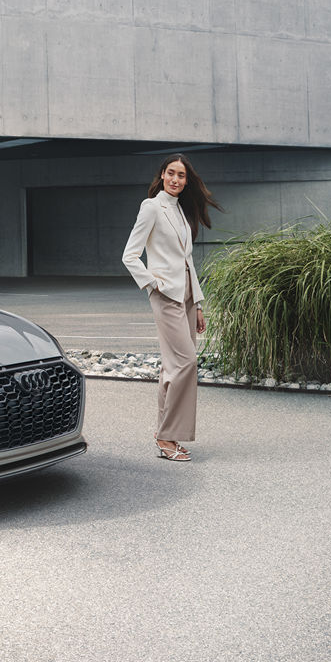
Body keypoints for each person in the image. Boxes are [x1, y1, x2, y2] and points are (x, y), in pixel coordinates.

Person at [121, 154, 222, 461]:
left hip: (188, 296)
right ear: (162, 175)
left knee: (172, 367)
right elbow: (130, 255)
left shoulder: (180, 211)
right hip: (167, 296)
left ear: (186, 180)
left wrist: (199, 303)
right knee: (186, 364)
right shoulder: (152, 207)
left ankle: (164, 430)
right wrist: (154, 284)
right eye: (171, 173)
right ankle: (167, 438)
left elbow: (187, 261)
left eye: (181, 175)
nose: (176, 179)